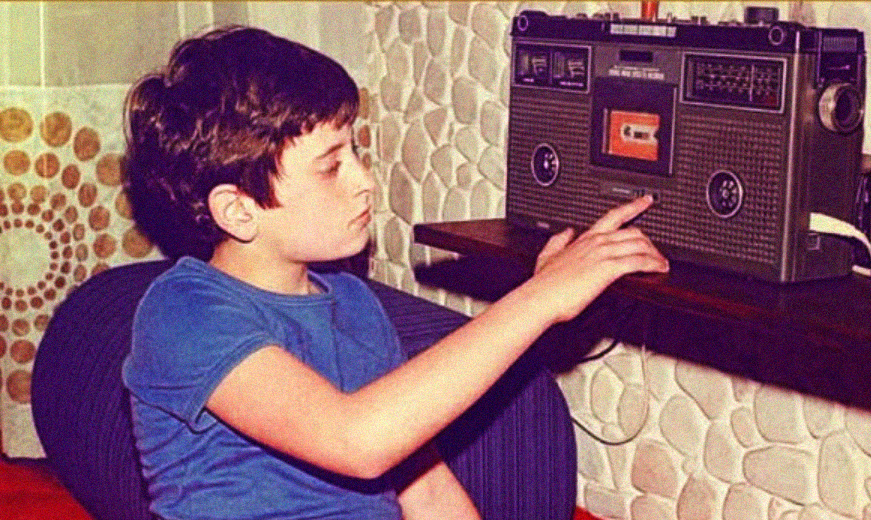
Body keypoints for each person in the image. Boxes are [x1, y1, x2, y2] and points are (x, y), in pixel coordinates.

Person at [121, 25, 668, 520]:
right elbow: (357, 441)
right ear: (238, 210)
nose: (364, 181)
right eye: (332, 165)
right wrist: (539, 298)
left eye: (356, 150)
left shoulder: (355, 304)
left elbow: (425, 488)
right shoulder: (183, 311)